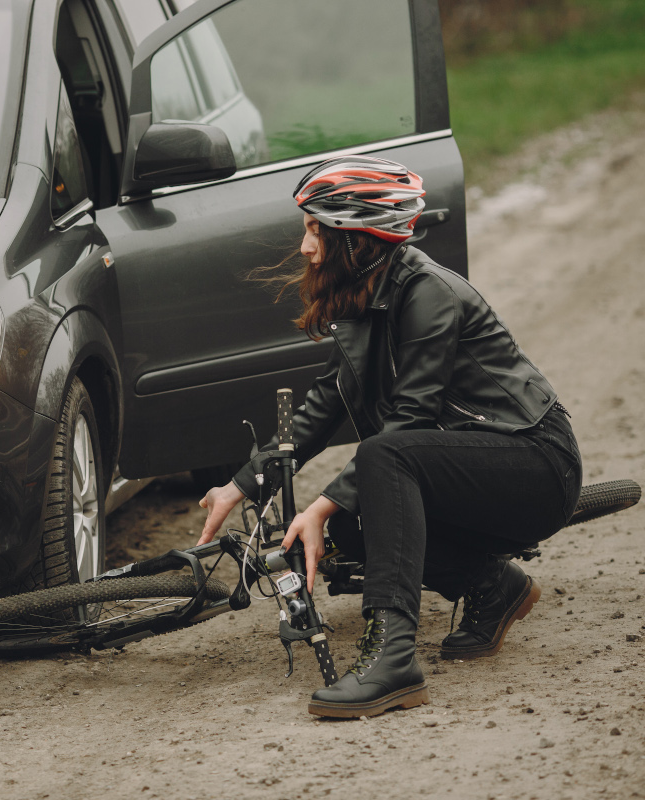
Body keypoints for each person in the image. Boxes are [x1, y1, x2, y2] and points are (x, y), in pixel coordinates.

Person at [198, 156, 582, 719]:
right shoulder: (364, 294)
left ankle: (394, 659)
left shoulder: (428, 293)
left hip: (536, 462)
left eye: (314, 229)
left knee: (380, 459)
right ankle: (495, 587)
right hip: (470, 460)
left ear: (354, 237)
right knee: (354, 524)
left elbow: (413, 419)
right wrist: (240, 484)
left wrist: (321, 504)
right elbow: (324, 404)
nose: (305, 247)